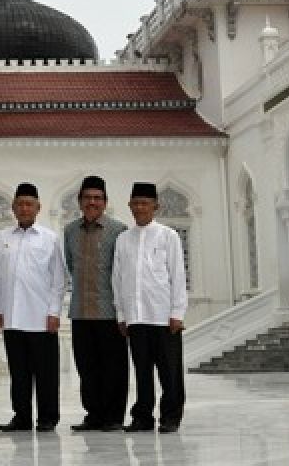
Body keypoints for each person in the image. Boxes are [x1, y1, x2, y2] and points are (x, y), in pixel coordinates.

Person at [0, 182, 66, 432]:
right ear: (13, 207)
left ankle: (47, 417)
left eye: (29, 204)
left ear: (38, 207)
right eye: (20, 204)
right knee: (18, 373)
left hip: (41, 317)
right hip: (12, 317)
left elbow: (58, 279)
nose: (24, 208)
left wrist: (54, 311)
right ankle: (21, 416)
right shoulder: (3, 238)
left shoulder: (50, 239)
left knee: (46, 373)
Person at [112, 182, 188, 433]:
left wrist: (177, 313)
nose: (139, 208)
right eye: (135, 203)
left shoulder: (168, 236)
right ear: (129, 206)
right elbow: (118, 279)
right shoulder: (123, 239)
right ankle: (142, 417)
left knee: (170, 373)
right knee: (142, 372)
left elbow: (177, 275)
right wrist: (122, 315)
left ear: (156, 206)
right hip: (136, 317)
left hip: (163, 317)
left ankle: (170, 417)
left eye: (145, 203)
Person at [63, 175, 128, 432]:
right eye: (87, 198)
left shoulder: (118, 231)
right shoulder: (70, 231)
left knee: (114, 368)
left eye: (97, 198)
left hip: (110, 312)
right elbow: (71, 265)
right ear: (79, 201)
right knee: (86, 368)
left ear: (105, 202)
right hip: (80, 311)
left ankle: (113, 417)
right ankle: (93, 414)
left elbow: (122, 271)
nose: (92, 202)